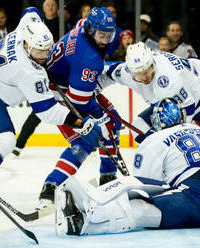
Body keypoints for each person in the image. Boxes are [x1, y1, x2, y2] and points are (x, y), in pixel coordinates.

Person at [0, 7, 101, 194]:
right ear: (27, 46)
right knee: (4, 139)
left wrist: (39, 26)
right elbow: (47, 111)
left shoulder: (26, 28)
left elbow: (30, 10)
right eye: (39, 52)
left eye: (47, 50)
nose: (44, 57)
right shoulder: (28, 72)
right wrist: (80, 121)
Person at [54, 98, 200, 236]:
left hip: (196, 202)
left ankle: (89, 214)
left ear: (157, 121)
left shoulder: (155, 139)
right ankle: (87, 212)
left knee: (140, 205)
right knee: (153, 200)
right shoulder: (197, 130)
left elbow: (144, 185)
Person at [38, 7, 122, 208]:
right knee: (86, 141)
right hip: (62, 96)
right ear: (92, 30)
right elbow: (79, 101)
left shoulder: (83, 24)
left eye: (109, 35)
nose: (105, 40)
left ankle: (108, 175)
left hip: (71, 85)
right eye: (102, 35)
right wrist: (100, 119)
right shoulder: (88, 60)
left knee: (114, 121)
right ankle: (51, 185)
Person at [97, 42, 200, 147]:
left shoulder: (168, 79)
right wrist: (92, 90)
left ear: (152, 64)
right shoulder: (126, 71)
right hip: (173, 101)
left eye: (146, 71)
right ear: (131, 71)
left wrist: (176, 138)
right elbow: (106, 74)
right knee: (139, 127)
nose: (144, 77)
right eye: (138, 74)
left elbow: (188, 107)